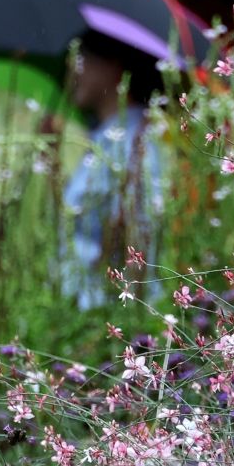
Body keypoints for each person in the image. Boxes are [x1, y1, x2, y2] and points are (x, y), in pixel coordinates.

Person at [58, 30, 168, 311]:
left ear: (113, 64)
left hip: (112, 316)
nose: (72, 68)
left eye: (81, 58)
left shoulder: (136, 139)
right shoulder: (105, 137)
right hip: (87, 312)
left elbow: (142, 233)